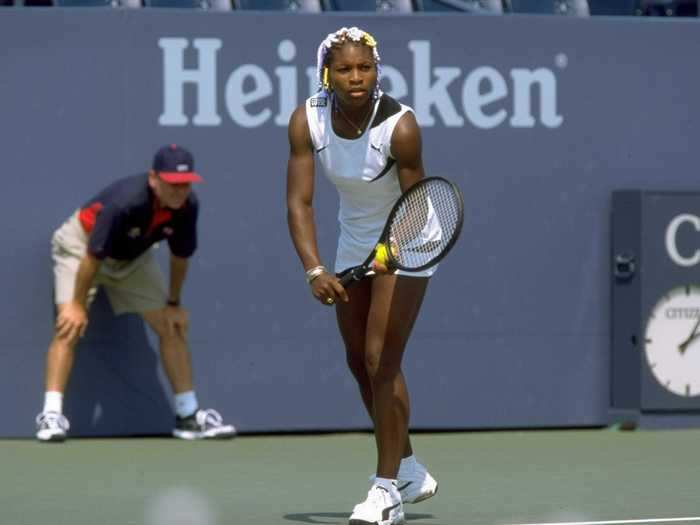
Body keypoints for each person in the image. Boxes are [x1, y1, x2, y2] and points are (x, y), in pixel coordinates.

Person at [286, 27, 438, 525]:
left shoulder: (401, 127)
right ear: (326, 74)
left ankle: (386, 490)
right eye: (346, 69)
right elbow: (299, 202)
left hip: (411, 235)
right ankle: (411, 467)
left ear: (377, 71)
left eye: (365, 68)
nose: (357, 78)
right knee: (358, 362)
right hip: (355, 236)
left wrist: (390, 251)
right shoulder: (307, 121)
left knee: (381, 358)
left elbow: (417, 205)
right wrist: (314, 267)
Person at [35, 144, 236, 443]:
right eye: (172, 184)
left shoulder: (187, 207)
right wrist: (76, 304)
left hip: (132, 259)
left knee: (172, 325)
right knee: (69, 325)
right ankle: (50, 416)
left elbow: (180, 257)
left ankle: (188, 416)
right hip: (81, 248)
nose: (180, 191)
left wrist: (173, 303)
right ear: (154, 179)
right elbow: (92, 257)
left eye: (185, 184)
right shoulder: (124, 202)